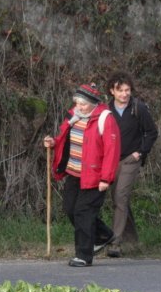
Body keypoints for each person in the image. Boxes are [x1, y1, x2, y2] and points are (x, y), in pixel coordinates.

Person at [44, 83, 120, 267]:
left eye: (83, 104)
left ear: (94, 103)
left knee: (83, 212)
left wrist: (105, 178)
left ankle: (84, 256)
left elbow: (112, 151)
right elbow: (65, 138)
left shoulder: (105, 119)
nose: (79, 107)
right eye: (77, 103)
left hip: (95, 175)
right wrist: (53, 142)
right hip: (74, 171)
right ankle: (104, 234)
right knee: (70, 208)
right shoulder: (74, 116)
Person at [104, 71, 158, 258]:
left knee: (120, 196)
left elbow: (151, 132)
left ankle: (116, 242)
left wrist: (140, 152)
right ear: (112, 91)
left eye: (127, 90)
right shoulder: (105, 111)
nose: (125, 94)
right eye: (120, 91)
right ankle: (132, 239)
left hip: (130, 160)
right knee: (119, 199)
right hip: (111, 161)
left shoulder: (138, 108)